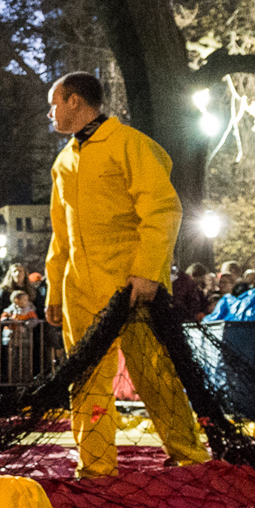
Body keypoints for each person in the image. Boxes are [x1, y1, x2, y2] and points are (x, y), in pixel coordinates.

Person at [43, 72, 207, 479]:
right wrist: (55, 291)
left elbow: (163, 210)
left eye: (54, 103)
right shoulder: (64, 161)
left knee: (154, 373)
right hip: (81, 287)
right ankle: (95, 467)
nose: (51, 112)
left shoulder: (130, 145)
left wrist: (148, 273)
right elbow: (60, 234)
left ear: (76, 102)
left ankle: (188, 454)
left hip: (131, 287)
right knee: (85, 380)